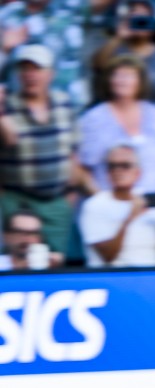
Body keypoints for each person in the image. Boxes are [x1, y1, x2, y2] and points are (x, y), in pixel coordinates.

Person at [0, 44, 80, 255]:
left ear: (51, 74)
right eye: (25, 69)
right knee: (17, 262)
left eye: (36, 69)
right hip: (17, 200)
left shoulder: (64, 103)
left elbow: (72, 153)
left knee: (55, 262)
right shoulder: (6, 104)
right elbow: (8, 138)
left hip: (57, 202)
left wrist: (70, 195)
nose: (30, 75)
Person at [79, 54, 155, 194]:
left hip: (153, 205)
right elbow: (82, 169)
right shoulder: (94, 118)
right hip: (110, 206)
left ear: (140, 81)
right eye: (117, 75)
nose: (122, 80)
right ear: (109, 81)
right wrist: (100, 200)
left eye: (129, 75)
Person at [79, 144, 155, 268]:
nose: (117, 171)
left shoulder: (148, 199)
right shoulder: (95, 205)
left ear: (138, 172)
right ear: (107, 172)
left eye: (125, 166)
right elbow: (107, 256)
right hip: (114, 277)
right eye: (112, 166)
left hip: (151, 275)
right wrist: (129, 217)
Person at [93, 0, 155, 101]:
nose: (140, 23)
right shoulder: (116, 50)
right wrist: (119, 36)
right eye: (136, 19)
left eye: (144, 20)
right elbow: (97, 65)